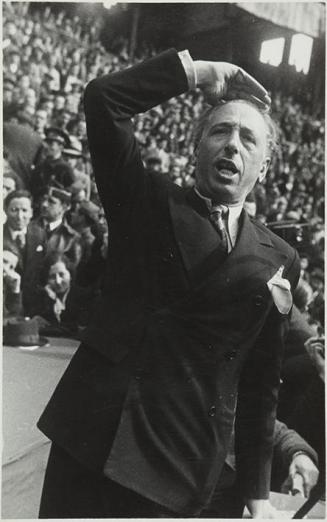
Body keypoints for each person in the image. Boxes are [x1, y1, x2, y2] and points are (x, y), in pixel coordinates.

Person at [38, 50, 300, 518]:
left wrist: (258, 497)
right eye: (220, 131)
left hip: (181, 465)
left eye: (248, 139)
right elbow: (104, 99)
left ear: (262, 168)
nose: (232, 145)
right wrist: (201, 72)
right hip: (96, 442)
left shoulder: (280, 258)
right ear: (194, 148)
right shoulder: (145, 200)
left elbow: (260, 386)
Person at [3, 189, 46, 316]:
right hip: (7, 305)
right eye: (14, 210)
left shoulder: (39, 234)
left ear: (32, 212)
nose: (20, 216)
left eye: (24, 210)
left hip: (33, 305)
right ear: (5, 210)